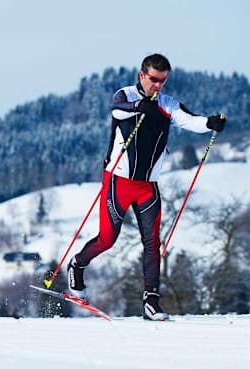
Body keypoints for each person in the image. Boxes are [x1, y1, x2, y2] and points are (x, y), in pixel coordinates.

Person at [67, 53, 226, 320]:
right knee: (108, 239)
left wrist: (210, 123)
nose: (158, 85)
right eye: (153, 79)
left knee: (153, 243)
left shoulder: (167, 104)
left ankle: (151, 302)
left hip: (147, 187)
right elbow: (118, 110)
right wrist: (140, 107)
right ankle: (78, 264)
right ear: (142, 75)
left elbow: (189, 120)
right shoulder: (126, 95)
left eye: (163, 81)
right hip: (119, 181)